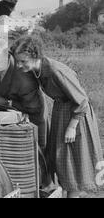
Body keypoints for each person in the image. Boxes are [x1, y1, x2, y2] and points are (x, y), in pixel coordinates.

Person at [11, 35, 103, 198]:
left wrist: (72, 127)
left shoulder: (55, 70)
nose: (19, 65)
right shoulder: (36, 70)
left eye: (23, 61)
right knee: (63, 160)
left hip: (77, 115)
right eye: (17, 61)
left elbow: (82, 100)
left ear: (35, 55)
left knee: (73, 164)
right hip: (62, 111)